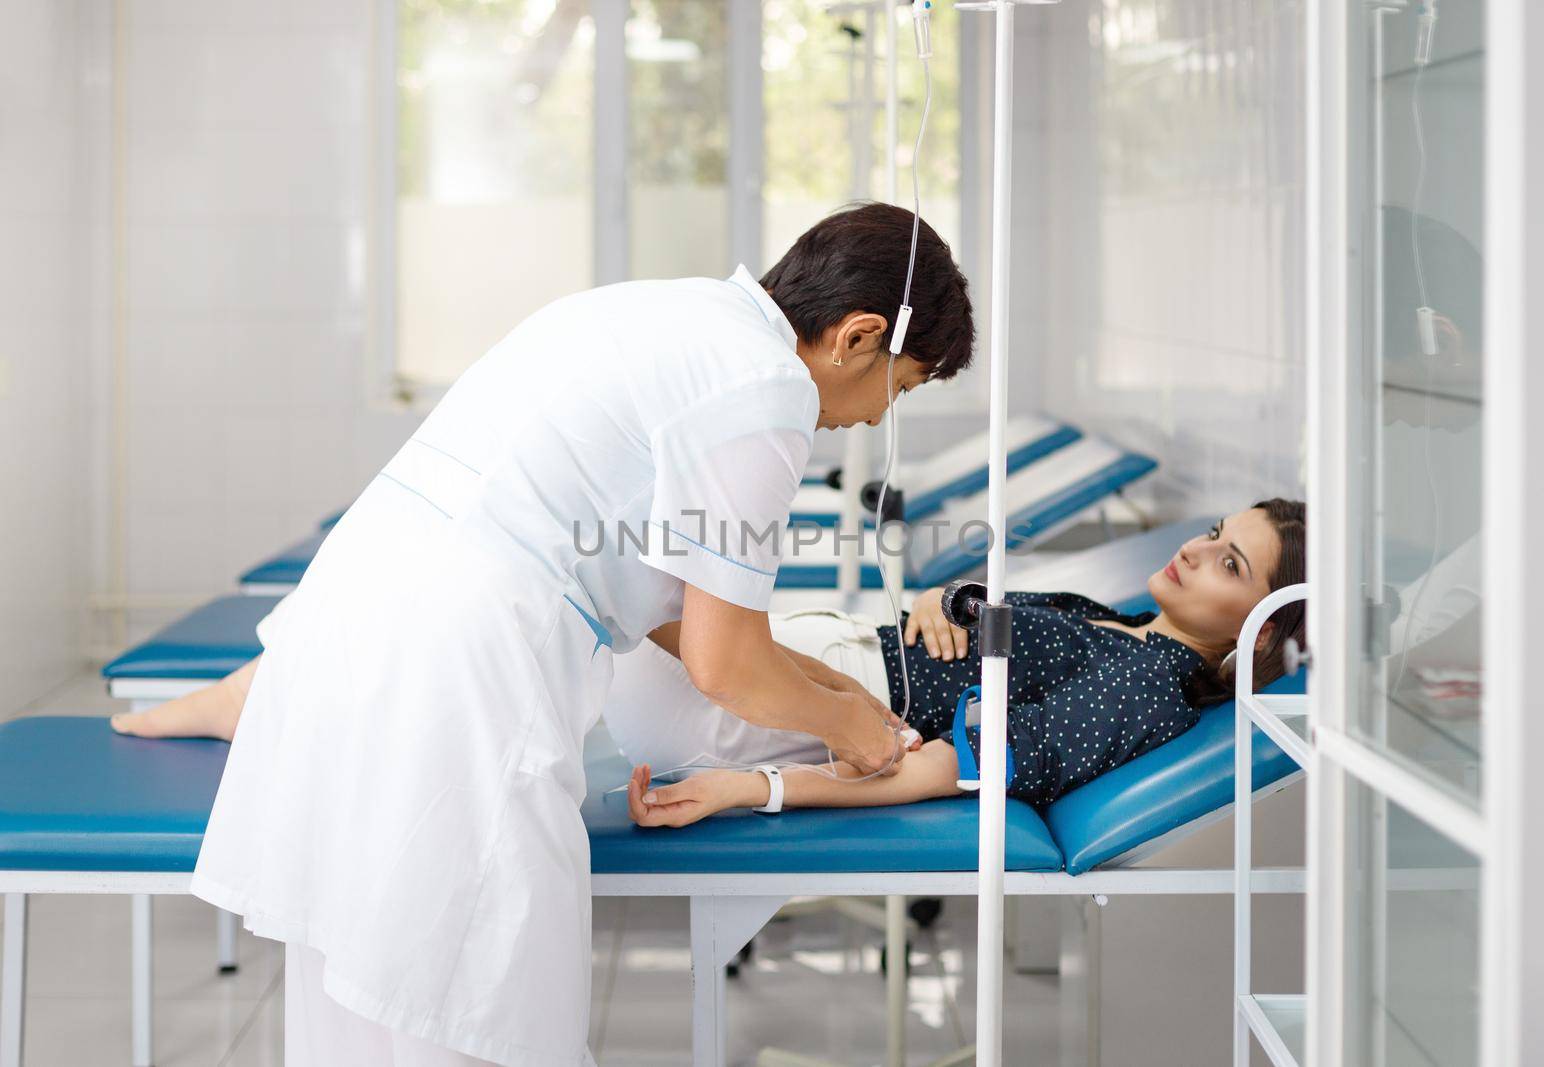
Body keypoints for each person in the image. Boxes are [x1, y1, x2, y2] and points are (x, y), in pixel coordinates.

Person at [128, 202, 975, 1067]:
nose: (877, 421)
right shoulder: (766, 392)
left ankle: (233, 698)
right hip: (458, 669)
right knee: (465, 1009)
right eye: (899, 390)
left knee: (362, 991)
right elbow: (727, 665)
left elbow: (685, 620)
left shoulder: (670, 315)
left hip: (348, 617)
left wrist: (835, 690)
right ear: (860, 336)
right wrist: (853, 729)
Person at [619, 500, 1306, 826]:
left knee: (610, 585)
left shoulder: (1149, 686)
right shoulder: (1127, 623)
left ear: (1265, 630)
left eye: (1230, 564)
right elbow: (983, 609)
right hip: (808, 664)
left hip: (771, 708)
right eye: (1214, 532)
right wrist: (938, 598)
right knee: (615, 589)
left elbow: (950, 765)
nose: (1194, 550)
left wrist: (748, 788)